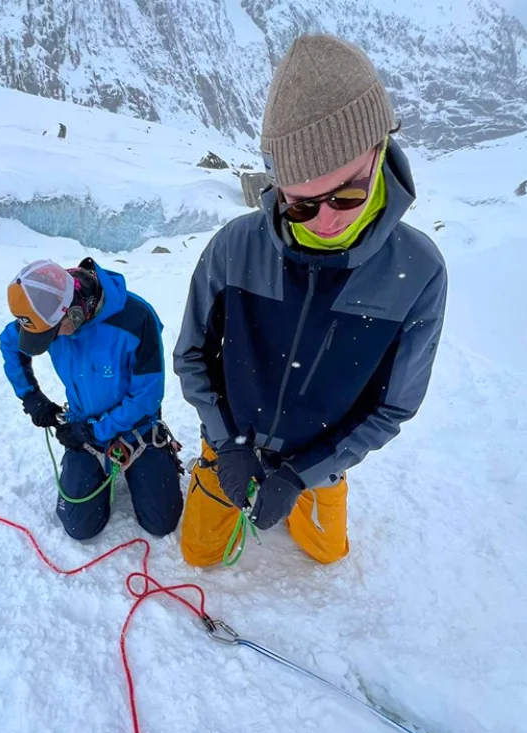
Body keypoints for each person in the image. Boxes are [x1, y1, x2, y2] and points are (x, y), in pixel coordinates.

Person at [174, 34, 448, 567]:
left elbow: (393, 406)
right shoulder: (236, 247)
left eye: (347, 193)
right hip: (232, 443)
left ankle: (306, 493)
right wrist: (226, 445)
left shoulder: (418, 272)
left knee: (327, 554)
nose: (325, 222)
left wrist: (307, 473)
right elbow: (191, 356)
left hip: (319, 457)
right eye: (300, 204)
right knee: (199, 555)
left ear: (381, 148)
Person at [0, 257, 183, 540]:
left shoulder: (135, 318)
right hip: (83, 427)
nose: (50, 341)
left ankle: (154, 458)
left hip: (137, 428)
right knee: (79, 527)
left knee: (161, 523)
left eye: (51, 334)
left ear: (73, 313)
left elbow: (147, 396)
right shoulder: (44, 315)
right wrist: (31, 397)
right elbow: (10, 343)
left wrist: (92, 431)